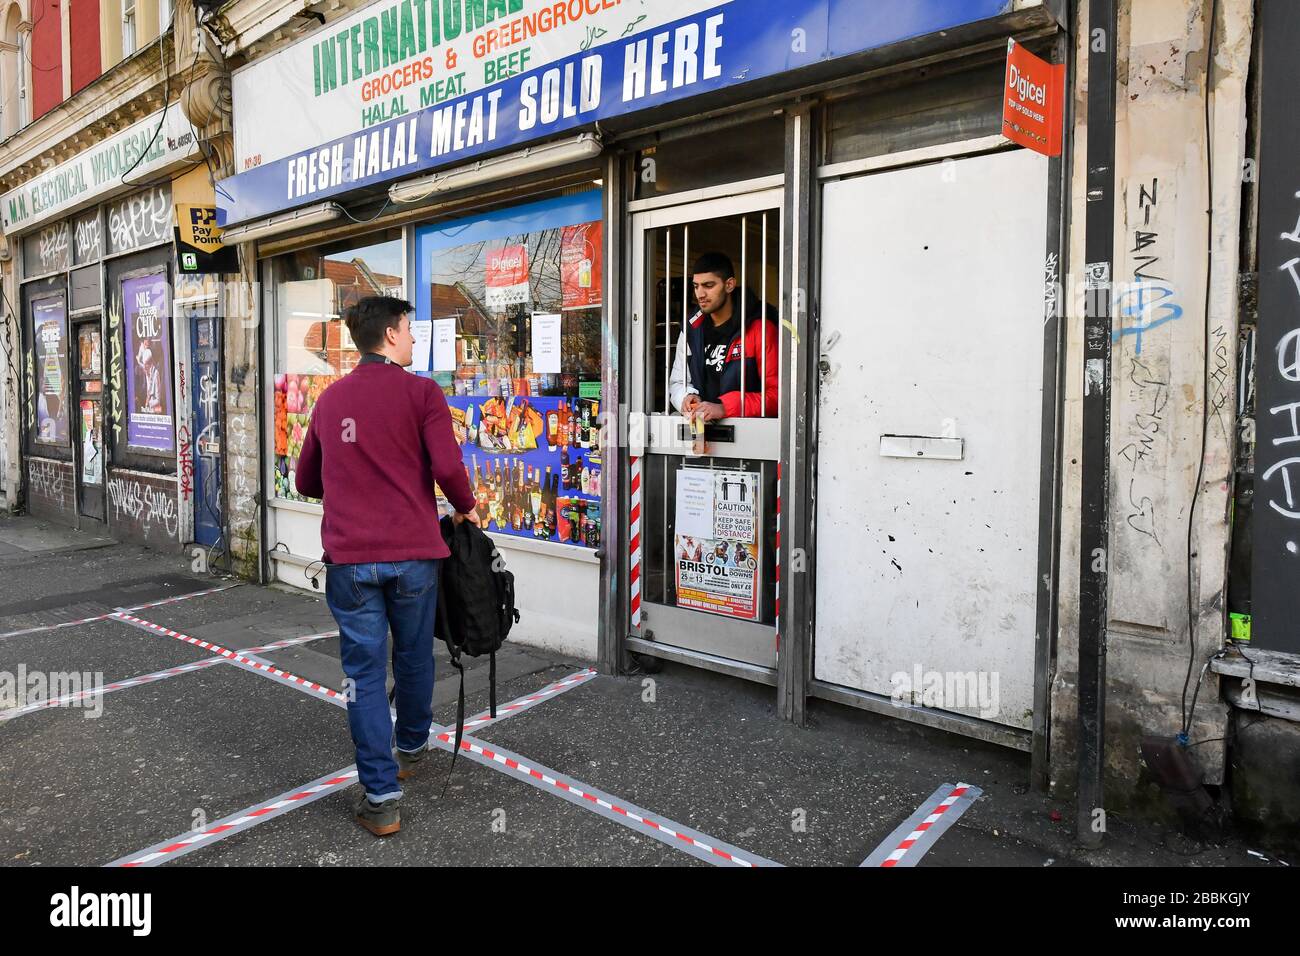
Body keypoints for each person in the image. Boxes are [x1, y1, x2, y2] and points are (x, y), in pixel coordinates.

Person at [295, 296, 481, 837]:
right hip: (415, 558)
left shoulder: (330, 402)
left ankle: (381, 798)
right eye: (409, 329)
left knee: (364, 677)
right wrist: (466, 506)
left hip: (351, 561)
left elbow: (307, 483)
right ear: (392, 335)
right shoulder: (422, 392)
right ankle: (413, 746)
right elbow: (447, 466)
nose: (415, 338)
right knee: (416, 656)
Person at [668, 252, 779, 423]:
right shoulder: (691, 330)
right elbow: (677, 383)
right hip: (705, 438)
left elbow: (779, 396)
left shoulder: (760, 327)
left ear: (729, 285)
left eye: (708, 285)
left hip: (752, 439)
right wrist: (687, 397)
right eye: (696, 286)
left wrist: (725, 407)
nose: (700, 294)